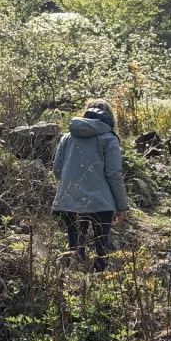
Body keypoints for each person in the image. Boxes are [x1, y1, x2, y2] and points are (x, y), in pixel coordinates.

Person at [52, 98, 129, 271]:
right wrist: (122, 205)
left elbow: (57, 169)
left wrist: (71, 187)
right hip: (101, 204)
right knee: (101, 251)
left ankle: (74, 287)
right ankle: (98, 285)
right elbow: (114, 175)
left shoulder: (67, 138)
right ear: (110, 116)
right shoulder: (109, 138)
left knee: (75, 250)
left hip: (70, 201)